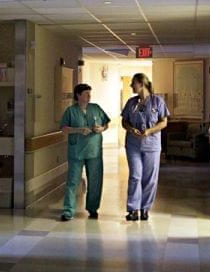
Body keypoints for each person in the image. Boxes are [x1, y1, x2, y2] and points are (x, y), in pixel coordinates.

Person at [121, 73, 169, 221]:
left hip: (152, 145)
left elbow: (164, 122)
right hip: (133, 145)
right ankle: (133, 209)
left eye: (133, 83)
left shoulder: (157, 102)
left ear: (142, 84)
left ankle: (145, 208)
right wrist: (130, 129)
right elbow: (124, 121)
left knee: (150, 179)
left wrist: (149, 131)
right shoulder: (131, 102)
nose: (131, 86)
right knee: (135, 175)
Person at [59, 83, 110, 221]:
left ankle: (93, 209)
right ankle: (68, 211)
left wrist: (101, 128)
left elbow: (106, 123)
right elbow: (63, 128)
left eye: (89, 94)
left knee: (95, 180)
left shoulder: (96, 108)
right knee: (72, 181)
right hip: (76, 151)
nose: (89, 96)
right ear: (78, 95)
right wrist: (78, 130)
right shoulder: (71, 111)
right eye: (86, 94)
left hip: (94, 151)